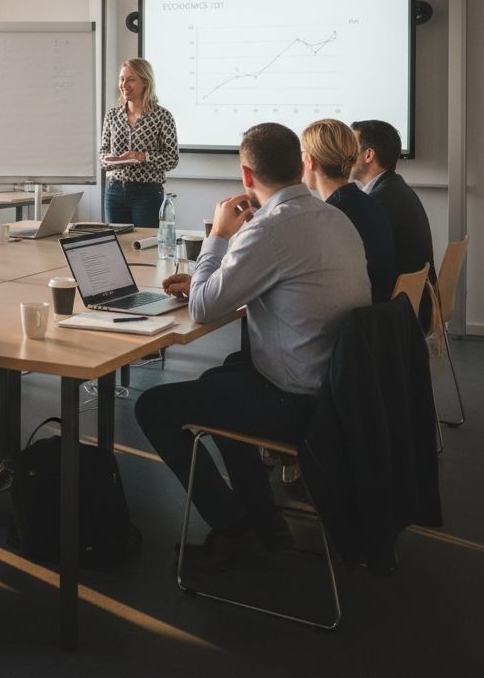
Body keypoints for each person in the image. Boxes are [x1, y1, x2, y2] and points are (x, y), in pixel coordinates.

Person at [134, 122, 370, 571]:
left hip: (296, 401)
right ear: (302, 166)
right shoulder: (334, 216)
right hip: (339, 392)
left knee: (153, 408)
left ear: (246, 176)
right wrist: (218, 276)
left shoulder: (271, 229)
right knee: (215, 379)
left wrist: (219, 236)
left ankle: (234, 528)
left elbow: (204, 308)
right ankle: (263, 518)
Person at [351, 119, 436, 331]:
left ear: (368, 155)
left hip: (401, 314)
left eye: (350, 147)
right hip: (414, 304)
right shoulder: (394, 188)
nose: (344, 155)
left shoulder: (381, 201)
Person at [301, 119, 397, 304]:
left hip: (355, 324)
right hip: (377, 319)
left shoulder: (331, 216)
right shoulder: (368, 202)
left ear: (310, 161)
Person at [100, 58, 179, 227]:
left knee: (144, 246)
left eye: (131, 79)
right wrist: (109, 160)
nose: (124, 85)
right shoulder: (112, 115)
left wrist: (143, 156)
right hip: (114, 191)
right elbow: (102, 152)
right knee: (117, 244)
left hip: (147, 192)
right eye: (122, 79)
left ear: (145, 82)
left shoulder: (163, 116)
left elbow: (172, 158)